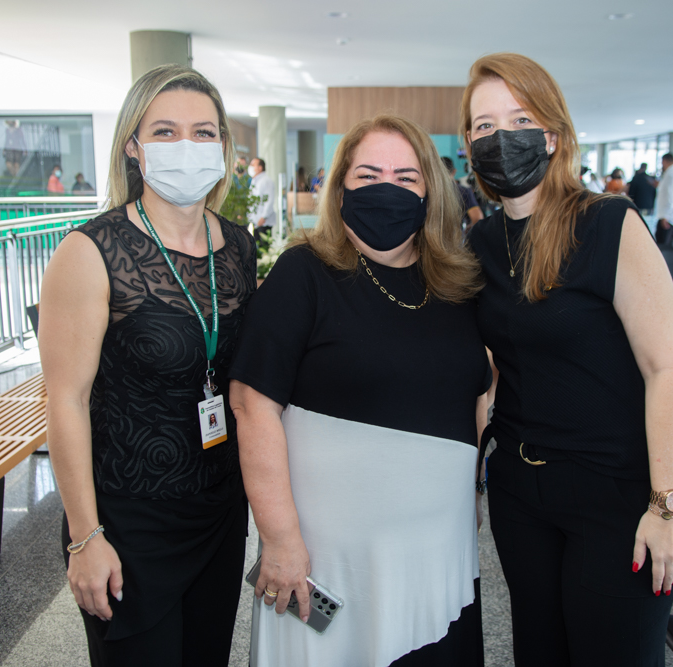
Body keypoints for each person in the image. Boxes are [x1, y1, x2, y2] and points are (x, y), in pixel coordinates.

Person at [229, 113, 491, 667]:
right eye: (368, 176)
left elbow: (472, 397)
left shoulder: (459, 284)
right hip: (328, 561)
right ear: (340, 187)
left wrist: (469, 498)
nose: (386, 191)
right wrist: (278, 539)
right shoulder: (304, 274)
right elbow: (252, 404)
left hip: (435, 553)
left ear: (430, 192)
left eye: (405, 178)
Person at [463, 52, 673, 666]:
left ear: (553, 135)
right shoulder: (481, 241)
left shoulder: (608, 223)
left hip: (613, 496)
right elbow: (495, 363)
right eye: (483, 126)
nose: (500, 137)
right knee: (540, 649)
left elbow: (667, 369)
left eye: (519, 118)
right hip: (520, 490)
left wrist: (667, 506)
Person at [38, 64, 256, 666]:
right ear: (133, 147)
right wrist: (85, 538)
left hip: (217, 509)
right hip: (127, 520)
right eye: (164, 132)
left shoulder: (236, 244)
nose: (186, 146)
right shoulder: (91, 251)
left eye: (203, 132)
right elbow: (65, 401)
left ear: (222, 147)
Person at [443, 155, 485, 234]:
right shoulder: (463, 191)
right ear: (454, 171)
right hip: (456, 240)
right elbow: (477, 218)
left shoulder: (428, 191)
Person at [248, 156, 276, 242]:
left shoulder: (266, 181)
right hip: (256, 221)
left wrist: (263, 217)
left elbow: (269, 200)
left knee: (264, 248)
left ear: (260, 167)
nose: (250, 167)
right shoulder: (254, 180)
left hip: (263, 221)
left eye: (253, 165)